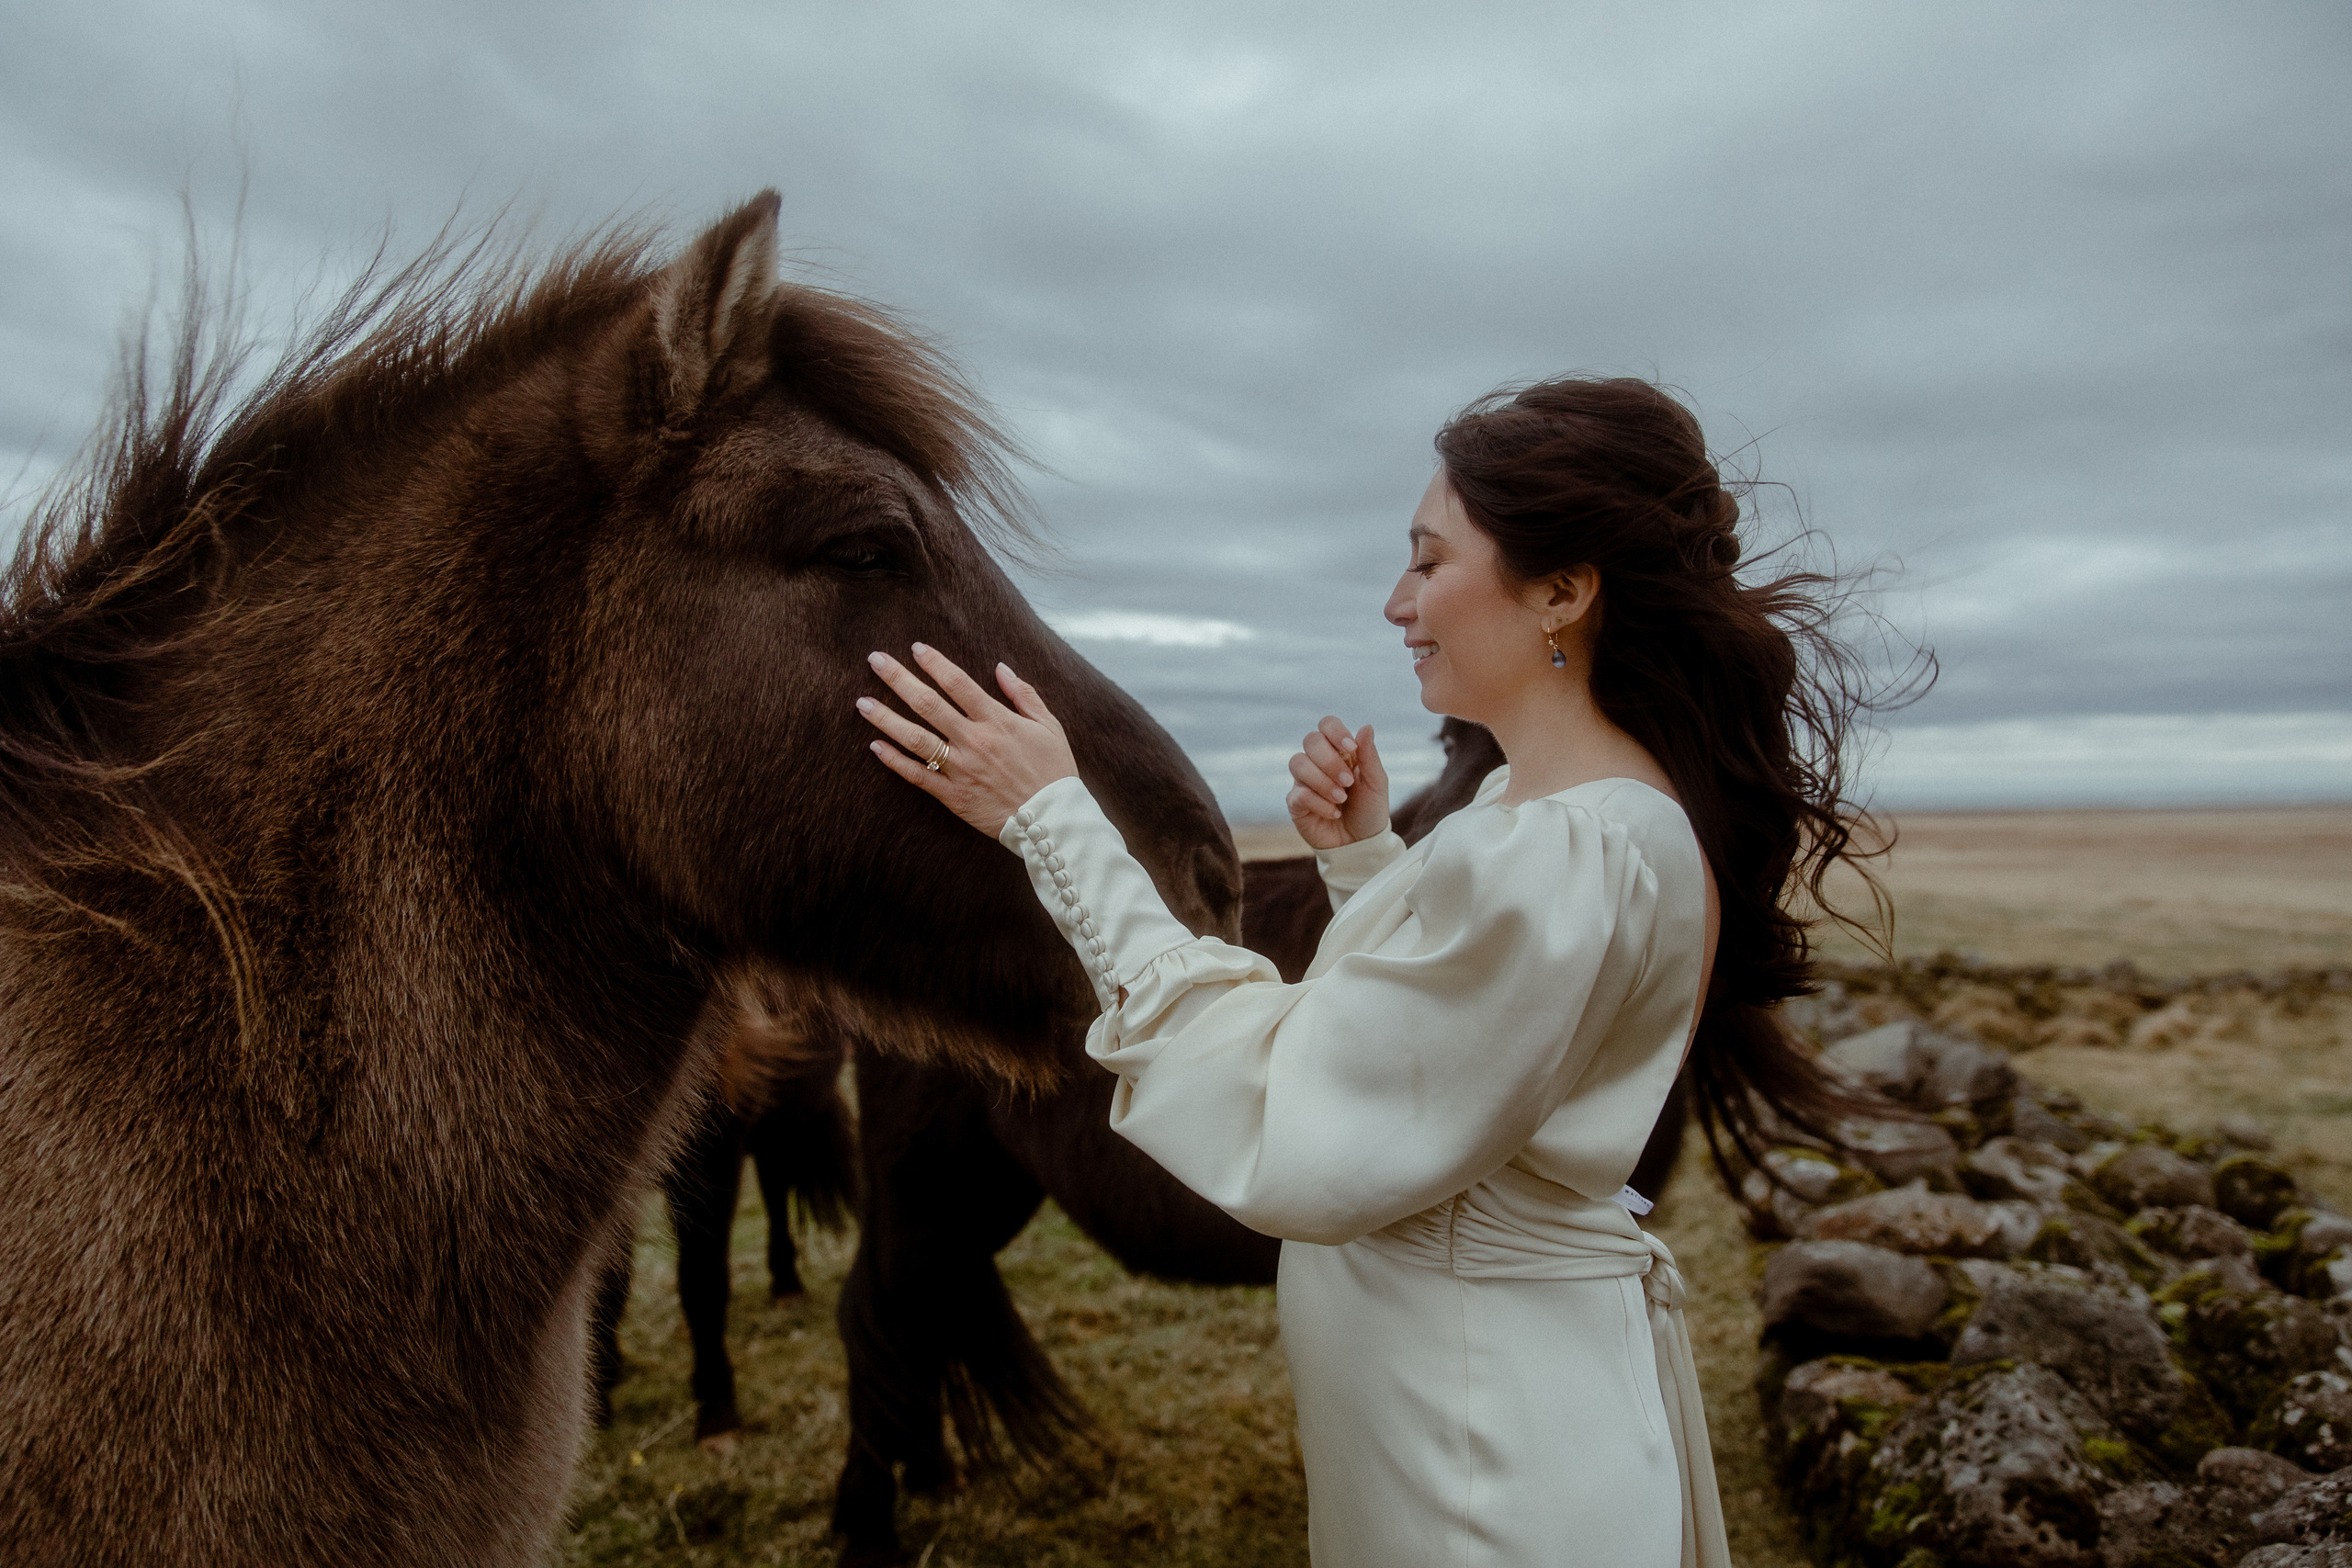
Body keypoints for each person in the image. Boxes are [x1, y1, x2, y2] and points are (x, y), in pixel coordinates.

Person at [854, 377, 1884, 1567]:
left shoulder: (1563, 850)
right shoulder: (1566, 818)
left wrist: (1053, 821)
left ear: (1562, 591)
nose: (1398, 602)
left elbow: (1294, 1117)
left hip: (1476, 1468)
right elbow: (1463, 1038)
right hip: (1479, 1415)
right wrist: (1366, 865)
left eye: (1429, 560)